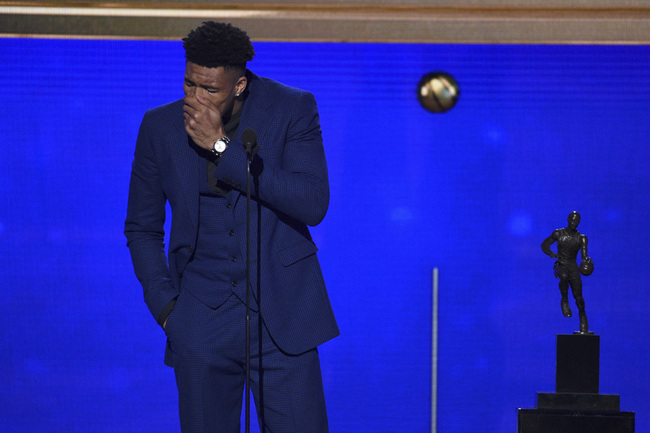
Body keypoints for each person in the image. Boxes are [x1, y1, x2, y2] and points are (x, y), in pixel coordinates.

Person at [124, 21, 339, 433]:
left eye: (210, 90)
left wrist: (222, 147)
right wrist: (168, 310)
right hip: (199, 320)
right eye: (190, 85)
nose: (196, 99)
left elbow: (313, 202)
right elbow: (141, 228)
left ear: (239, 85)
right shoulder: (159, 128)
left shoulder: (292, 109)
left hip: (283, 319)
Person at [541, 211, 593, 333]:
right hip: (561, 264)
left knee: (579, 297)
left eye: (577, 221)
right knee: (564, 276)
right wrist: (552, 254)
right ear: (568, 219)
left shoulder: (582, 238)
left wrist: (587, 260)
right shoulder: (558, 233)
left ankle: (582, 315)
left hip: (573, 265)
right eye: (573, 220)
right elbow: (544, 245)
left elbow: (584, 255)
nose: (574, 223)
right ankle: (564, 300)